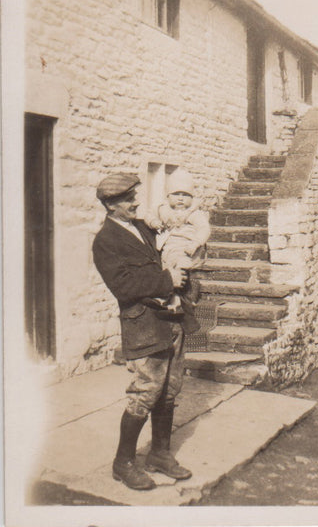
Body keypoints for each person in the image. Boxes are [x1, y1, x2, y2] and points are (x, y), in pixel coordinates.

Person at [92, 172, 200, 491]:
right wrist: (168, 282)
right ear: (111, 206)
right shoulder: (105, 241)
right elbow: (123, 287)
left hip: (172, 317)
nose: (135, 202)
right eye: (127, 200)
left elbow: (168, 252)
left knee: (169, 388)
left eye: (134, 196)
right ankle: (123, 463)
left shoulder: (140, 227)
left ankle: (160, 454)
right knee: (145, 391)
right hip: (143, 323)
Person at [144, 168, 211, 312]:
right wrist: (154, 222)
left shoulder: (193, 213)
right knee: (166, 270)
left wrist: (195, 243)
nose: (180, 198)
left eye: (185, 195)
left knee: (180, 268)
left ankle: (181, 297)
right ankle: (171, 297)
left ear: (192, 198)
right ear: (168, 196)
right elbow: (148, 215)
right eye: (176, 194)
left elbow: (204, 229)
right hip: (168, 248)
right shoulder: (163, 209)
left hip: (187, 248)